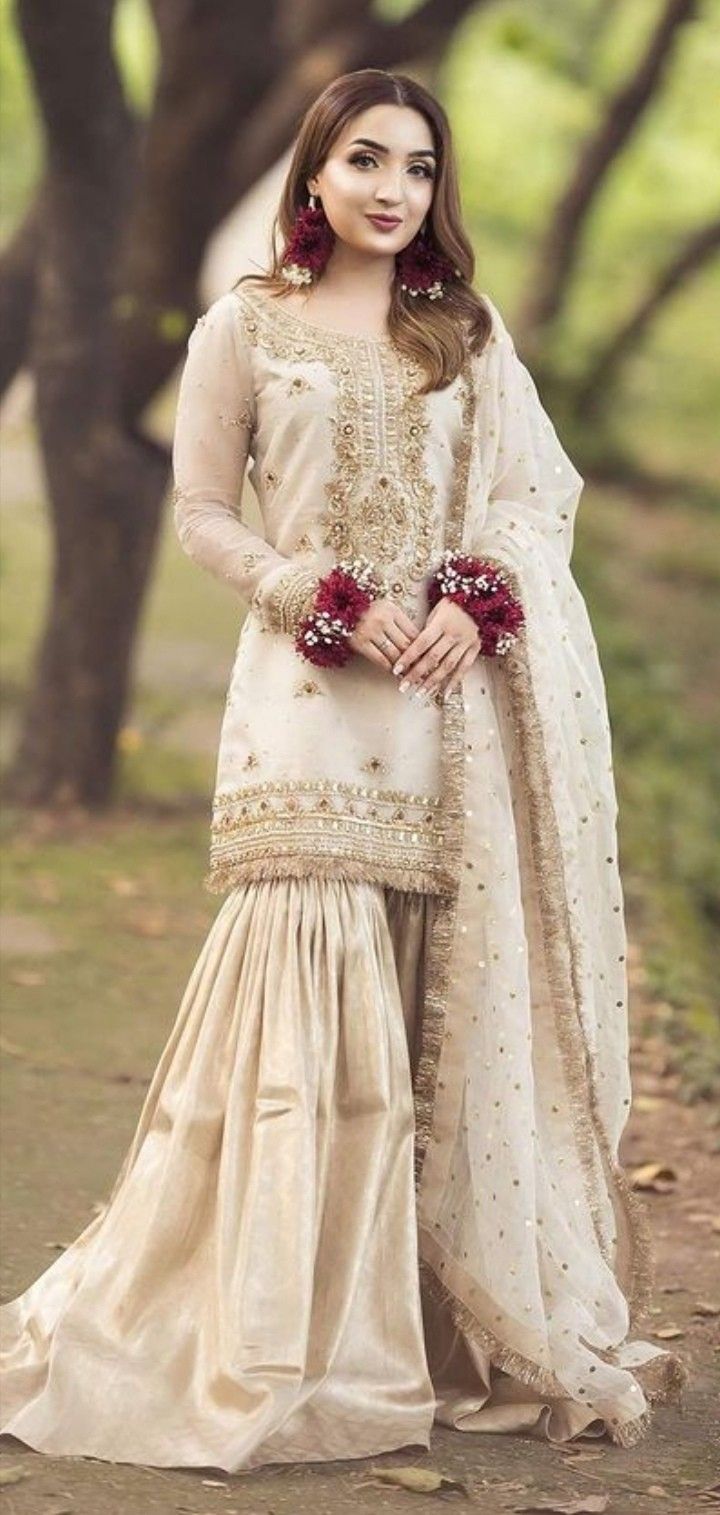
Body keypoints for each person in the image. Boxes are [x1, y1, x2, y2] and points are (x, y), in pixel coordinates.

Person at [0, 68, 688, 1473]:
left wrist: (471, 597)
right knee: (301, 1025)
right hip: (307, 705)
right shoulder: (241, 329)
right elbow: (199, 509)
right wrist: (308, 589)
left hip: (449, 723)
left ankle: (419, 1330)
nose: (393, 188)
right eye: (365, 159)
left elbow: (529, 496)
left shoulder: (467, 336)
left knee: (435, 1004)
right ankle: (270, 1336)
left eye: (420, 167)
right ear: (312, 174)